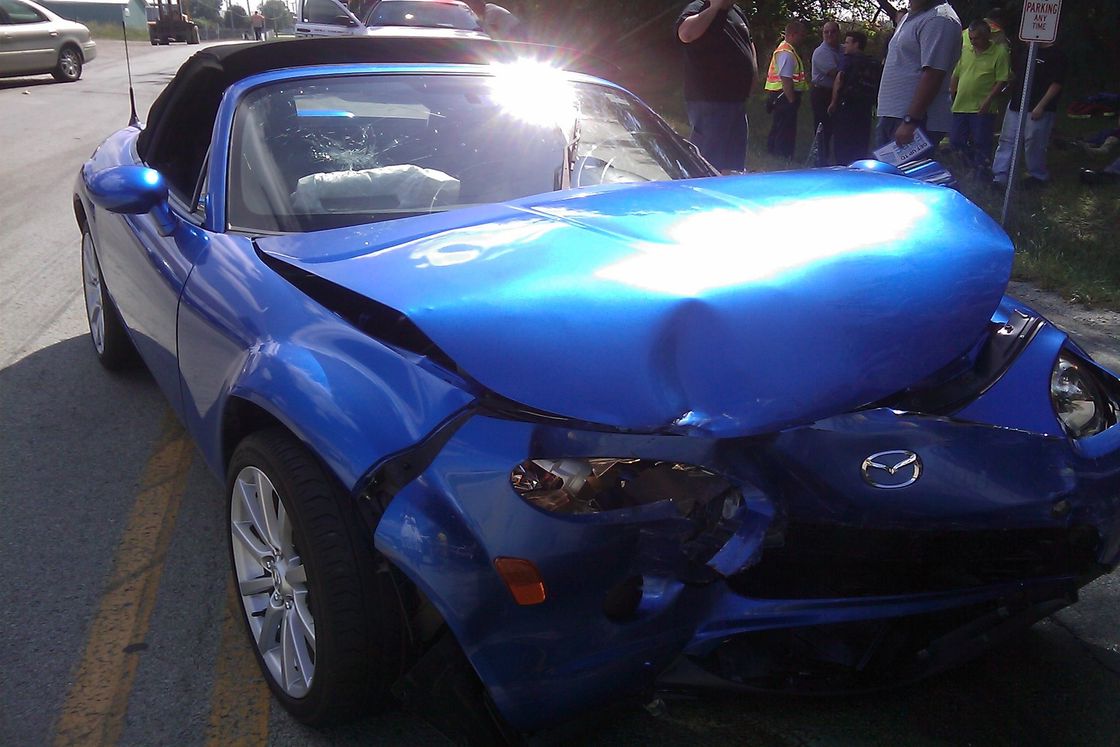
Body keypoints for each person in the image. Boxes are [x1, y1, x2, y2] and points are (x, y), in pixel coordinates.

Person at [675, 0, 758, 173]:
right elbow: (685, 34)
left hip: (737, 101)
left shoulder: (737, 12)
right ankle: (700, 197)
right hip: (711, 101)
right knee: (708, 164)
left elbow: (749, 43)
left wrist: (753, 75)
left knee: (734, 166)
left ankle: (726, 195)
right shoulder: (699, 7)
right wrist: (714, 8)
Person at [876, 0, 961, 150]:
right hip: (894, 116)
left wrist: (911, 120)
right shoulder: (910, 17)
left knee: (903, 174)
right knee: (884, 172)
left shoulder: (939, 19)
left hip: (917, 123)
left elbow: (933, 74)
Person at [992, 41, 1067, 189]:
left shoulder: (1056, 54)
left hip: (1039, 107)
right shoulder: (1026, 51)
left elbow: (1057, 83)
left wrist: (1041, 106)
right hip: (1016, 103)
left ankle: (1038, 175)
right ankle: (999, 176)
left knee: (1034, 142)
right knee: (1007, 139)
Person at [949, 20, 1010, 170]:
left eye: (977, 38)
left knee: (981, 143)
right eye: (971, 38)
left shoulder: (999, 52)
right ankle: (970, 168)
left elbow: (1001, 79)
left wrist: (988, 100)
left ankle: (982, 175)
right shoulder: (966, 51)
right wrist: (952, 93)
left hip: (982, 107)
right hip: (961, 105)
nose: (973, 42)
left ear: (987, 36)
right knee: (956, 141)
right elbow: (956, 74)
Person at [828, 30, 881, 164]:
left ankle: (842, 168)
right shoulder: (873, 63)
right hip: (865, 109)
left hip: (847, 106)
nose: (844, 45)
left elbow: (839, 80)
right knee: (860, 143)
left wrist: (833, 102)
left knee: (842, 142)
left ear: (856, 44)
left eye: (847, 42)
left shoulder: (847, 60)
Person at [764, 20, 809, 160]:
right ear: (793, 34)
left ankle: (773, 154)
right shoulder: (787, 52)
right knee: (785, 129)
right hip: (785, 96)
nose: (802, 39)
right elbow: (786, 78)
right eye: (801, 35)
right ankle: (782, 156)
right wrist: (791, 100)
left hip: (780, 95)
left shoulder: (785, 49)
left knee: (779, 127)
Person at [810, 21, 843, 165]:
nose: (829, 35)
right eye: (826, 32)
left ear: (838, 33)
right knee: (823, 129)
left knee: (836, 128)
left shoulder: (842, 49)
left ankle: (835, 161)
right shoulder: (821, 52)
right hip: (821, 94)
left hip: (836, 93)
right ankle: (820, 161)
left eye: (833, 32)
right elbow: (837, 74)